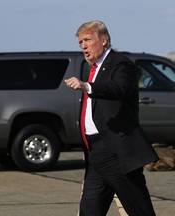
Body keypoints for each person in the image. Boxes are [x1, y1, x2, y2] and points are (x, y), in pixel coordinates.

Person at [65, 20, 159, 216]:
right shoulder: (94, 69)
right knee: (89, 209)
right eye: (80, 42)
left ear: (104, 40)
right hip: (95, 152)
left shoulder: (121, 64)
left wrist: (87, 86)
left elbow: (120, 89)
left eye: (88, 40)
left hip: (115, 151)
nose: (83, 46)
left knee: (139, 209)